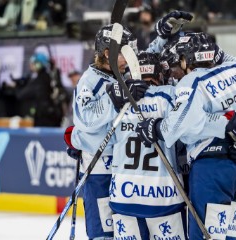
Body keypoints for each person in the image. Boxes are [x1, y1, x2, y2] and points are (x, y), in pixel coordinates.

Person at [135, 32, 236, 240]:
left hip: (212, 167)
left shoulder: (190, 83)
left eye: (180, 59)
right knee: (233, 236)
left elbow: (175, 128)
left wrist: (155, 127)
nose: (177, 66)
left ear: (188, 59)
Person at [65, 24, 147, 240]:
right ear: (108, 53)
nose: (130, 59)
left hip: (125, 171)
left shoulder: (122, 76)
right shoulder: (89, 80)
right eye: (125, 53)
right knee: (104, 234)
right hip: (99, 171)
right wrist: (112, 98)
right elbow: (86, 118)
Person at [106, 51, 187, 239]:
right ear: (160, 75)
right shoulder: (169, 96)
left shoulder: (117, 100)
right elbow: (187, 134)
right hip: (163, 198)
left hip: (123, 197)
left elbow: (102, 138)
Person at [16, 52, 61, 127]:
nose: (30, 65)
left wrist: (18, 86)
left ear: (39, 64)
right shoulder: (44, 77)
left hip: (45, 117)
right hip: (45, 114)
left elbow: (22, 94)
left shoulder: (42, 79)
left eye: (33, 63)